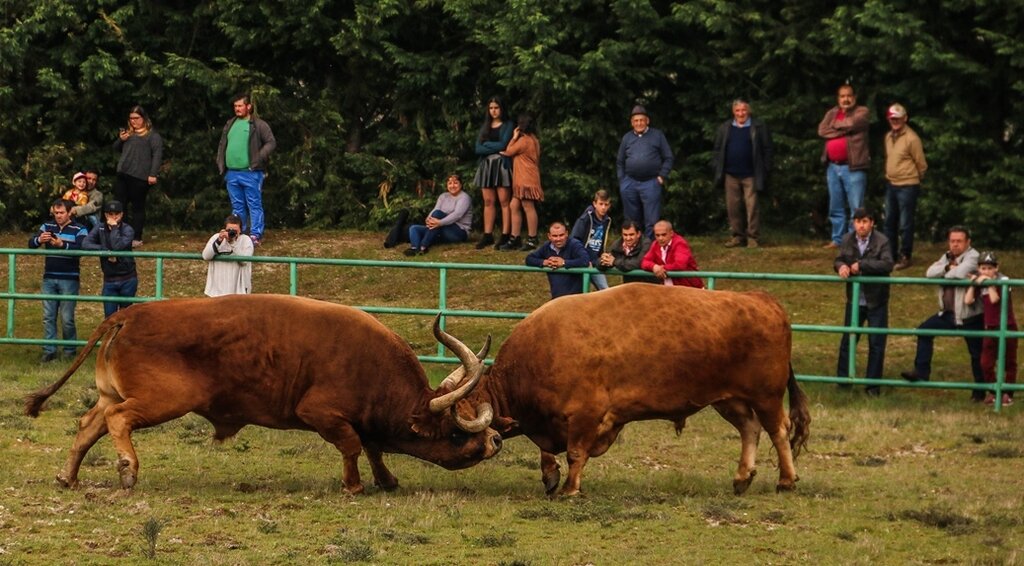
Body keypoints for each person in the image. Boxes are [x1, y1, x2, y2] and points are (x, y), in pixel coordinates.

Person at [900, 226, 986, 401]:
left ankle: (981, 392)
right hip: (948, 313)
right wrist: (948, 268)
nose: (954, 245)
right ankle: (921, 372)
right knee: (924, 330)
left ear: (968, 242)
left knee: (977, 354)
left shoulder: (974, 257)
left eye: (959, 241)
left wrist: (946, 271)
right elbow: (929, 273)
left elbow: (959, 274)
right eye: (952, 241)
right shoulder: (947, 257)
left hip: (970, 315)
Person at [833, 208, 894, 396]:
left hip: (877, 300)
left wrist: (863, 265)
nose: (861, 225)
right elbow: (838, 259)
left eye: (865, 221)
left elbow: (887, 264)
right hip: (854, 300)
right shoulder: (847, 239)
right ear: (854, 223)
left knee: (876, 342)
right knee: (848, 341)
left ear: (872, 223)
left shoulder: (882, 241)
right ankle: (843, 382)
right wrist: (841, 266)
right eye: (858, 221)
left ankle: (872, 386)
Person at [28, 199, 88, 362]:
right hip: (49, 277)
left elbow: (83, 249)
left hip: (69, 278)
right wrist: (40, 240)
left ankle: (69, 350)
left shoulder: (80, 229)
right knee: (48, 315)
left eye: (61, 213)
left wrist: (62, 245)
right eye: (56, 213)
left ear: (69, 212)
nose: (59, 216)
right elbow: (30, 243)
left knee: (67, 317)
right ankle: (50, 350)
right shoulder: (47, 226)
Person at [711, 98, 774, 248]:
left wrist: (765, 168)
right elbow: (718, 149)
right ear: (733, 112)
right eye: (738, 110)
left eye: (743, 110)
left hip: (751, 174)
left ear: (749, 111)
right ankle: (737, 236)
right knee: (733, 207)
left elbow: (767, 149)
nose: (741, 113)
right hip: (730, 174)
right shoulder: (725, 127)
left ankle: (753, 237)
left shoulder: (758, 126)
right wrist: (716, 165)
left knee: (752, 207)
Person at [216, 93, 277, 247]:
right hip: (232, 172)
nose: (237, 109)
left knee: (254, 204)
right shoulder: (230, 123)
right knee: (237, 206)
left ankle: (256, 235)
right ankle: (238, 233)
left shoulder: (258, 124)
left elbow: (271, 142)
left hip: (252, 172)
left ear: (248, 106)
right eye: (235, 106)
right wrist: (221, 163)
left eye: (240, 106)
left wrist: (258, 158)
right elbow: (222, 144)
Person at [818, 84, 870, 249]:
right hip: (833, 167)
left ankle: (853, 240)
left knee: (856, 207)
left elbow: (853, 123)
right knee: (836, 205)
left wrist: (835, 127)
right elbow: (821, 130)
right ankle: (837, 239)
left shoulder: (862, 112)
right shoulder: (832, 113)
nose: (845, 99)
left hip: (853, 167)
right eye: (842, 96)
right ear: (838, 98)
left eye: (848, 96)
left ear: (854, 97)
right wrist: (844, 129)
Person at [964, 252, 1017, 406]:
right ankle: (995, 392)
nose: (986, 271)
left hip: (1007, 326)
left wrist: (988, 282)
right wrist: (974, 284)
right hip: (990, 327)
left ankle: (1008, 393)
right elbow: (968, 301)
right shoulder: (981, 282)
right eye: (983, 268)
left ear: (996, 268)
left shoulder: (1003, 280)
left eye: (989, 268)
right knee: (985, 362)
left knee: (1009, 362)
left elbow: (994, 299)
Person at [616, 105, 674, 238]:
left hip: (651, 182)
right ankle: (634, 247)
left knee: (652, 220)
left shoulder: (657, 135)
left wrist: (662, 176)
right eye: (636, 121)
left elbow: (668, 157)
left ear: (647, 120)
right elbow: (620, 161)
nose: (639, 123)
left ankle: (648, 249)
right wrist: (622, 180)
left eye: (641, 120)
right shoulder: (627, 138)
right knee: (631, 220)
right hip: (629, 183)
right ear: (632, 123)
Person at [883, 103, 928, 271]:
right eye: (892, 119)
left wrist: (915, 178)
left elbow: (921, 163)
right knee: (889, 221)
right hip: (891, 183)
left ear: (905, 118)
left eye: (898, 118)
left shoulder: (912, 138)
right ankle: (890, 255)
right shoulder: (888, 137)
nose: (895, 121)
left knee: (905, 223)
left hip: (908, 185)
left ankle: (905, 255)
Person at [113, 105, 164, 248]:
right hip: (123, 173)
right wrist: (121, 140)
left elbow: (157, 156)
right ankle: (121, 234)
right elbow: (115, 149)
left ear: (144, 118)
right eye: (131, 118)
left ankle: (136, 236)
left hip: (140, 176)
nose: (133, 121)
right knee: (120, 206)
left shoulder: (152, 136)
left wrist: (153, 174)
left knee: (138, 208)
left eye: (136, 118)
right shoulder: (128, 134)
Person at [81, 200, 137, 318]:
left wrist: (115, 228)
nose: (114, 216)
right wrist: (104, 250)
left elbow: (117, 247)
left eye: (117, 214)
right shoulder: (99, 228)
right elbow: (85, 243)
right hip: (109, 279)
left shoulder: (128, 229)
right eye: (110, 214)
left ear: (122, 214)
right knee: (110, 318)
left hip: (128, 278)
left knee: (126, 316)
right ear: (106, 215)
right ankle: (112, 337)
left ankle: (123, 337)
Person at [471, 96, 514, 250]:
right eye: (491, 108)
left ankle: (505, 234)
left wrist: (487, 144)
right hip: (486, 165)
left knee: (504, 201)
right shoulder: (485, 126)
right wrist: (494, 146)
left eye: (496, 107)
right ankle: (487, 234)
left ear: (501, 109)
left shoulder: (508, 125)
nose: (493, 111)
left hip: (501, 164)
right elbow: (477, 148)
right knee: (488, 201)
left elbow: (504, 144)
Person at [499, 113, 543, 251]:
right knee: (514, 205)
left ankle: (532, 238)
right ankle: (515, 237)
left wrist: (513, 137)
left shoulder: (524, 141)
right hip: (526, 177)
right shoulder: (534, 139)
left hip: (526, 179)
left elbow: (508, 151)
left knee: (528, 206)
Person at [403, 174, 472, 256]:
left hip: (459, 231)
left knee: (438, 214)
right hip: (440, 228)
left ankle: (423, 246)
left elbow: (457, 215)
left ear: (461, 185)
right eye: (450, 183)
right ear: (447, 185)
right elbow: (435, 209)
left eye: (455, 183)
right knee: (414, 228)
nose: (452, 186)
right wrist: (429, 218)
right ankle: (414, 248)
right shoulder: (443, 196)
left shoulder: (464, 197)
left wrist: (440, 223)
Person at [525, 222, 591, 299]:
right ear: (549, 236)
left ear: (566, 234)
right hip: (556, 299)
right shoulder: (546, 246)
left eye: (561, 235)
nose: (558, 239)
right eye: (555, 236)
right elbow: (529, 259)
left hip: (575, 298)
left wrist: (564, 262)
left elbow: (585, 260)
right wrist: (544, 262)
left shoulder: (574, 244)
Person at [570, 189, 612, 290]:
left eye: (606, 205)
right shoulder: (585, 219)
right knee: (581, 291)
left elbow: (602, 242)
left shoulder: (607, 220)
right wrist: (583, 259)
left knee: (605, 289)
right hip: (582, 260)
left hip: (595, 260)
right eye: (601, 204)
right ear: (594, 204)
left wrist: (603, 255)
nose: (603, 207)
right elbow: (574, 240)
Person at [641, 220, 703, 288]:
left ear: (671, 233)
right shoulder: (655, 244)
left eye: (663, 234)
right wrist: (654, 267)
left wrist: (661, 268)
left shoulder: (680, 243)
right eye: (657, 235)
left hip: (689, 288)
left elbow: (680, 265)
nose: (660, 238)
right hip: (669, 289)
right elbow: (644, 262)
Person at [202, 214, 254, 297]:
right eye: (229, 230)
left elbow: (244, 261)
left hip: (238, 291)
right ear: (224, 229)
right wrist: (219, 241)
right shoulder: (217, 237)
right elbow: (206, 256)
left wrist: (233, 243)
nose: (232, 233)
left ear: (240, 230)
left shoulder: (245, 240)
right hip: (216, 291)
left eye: (235, 231)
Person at [599, 219, 655, 284]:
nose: (628, 238)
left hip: (648, 285)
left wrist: (614, 261)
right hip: (629, 287)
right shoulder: (618, 244)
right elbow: (605, 262)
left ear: (638, 234)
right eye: (625, 235)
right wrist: (603, 261)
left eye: (631, 235)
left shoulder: (646, 244)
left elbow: (639, 263)